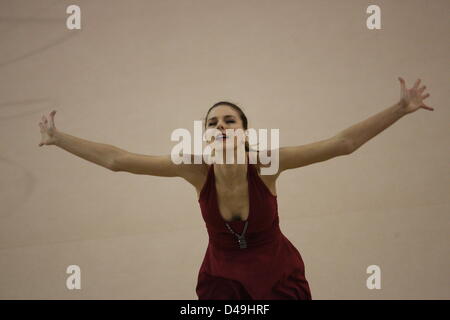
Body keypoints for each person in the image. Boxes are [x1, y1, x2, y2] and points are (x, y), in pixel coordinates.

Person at [37, 77, 433, 299]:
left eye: (230, 121)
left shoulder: (266, 166)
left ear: (245, 132)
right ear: (205, 136)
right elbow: (117, 161)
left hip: (278, 276)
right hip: (223, 281)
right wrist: (59, 138)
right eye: (213, 123)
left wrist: (399, 109)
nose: (221, 126)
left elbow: (342, 144)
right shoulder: (194, 170)